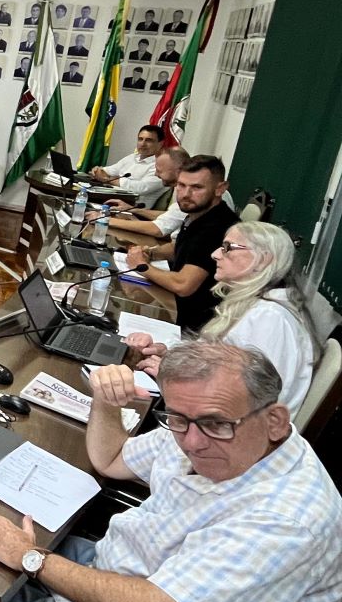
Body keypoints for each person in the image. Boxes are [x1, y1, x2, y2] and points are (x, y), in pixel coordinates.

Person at [0, 340, 342, 602]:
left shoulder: (289, 518)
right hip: (127, 575)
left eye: (215, 424)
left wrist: (31, 558)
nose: (192, 443)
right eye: (178, 420)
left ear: (274, 420)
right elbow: (111, 459)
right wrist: (105, 404)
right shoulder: (204, 424)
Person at [128, 223, 318, 415]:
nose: (215, 254)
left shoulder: (270, 319)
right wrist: (169, 351)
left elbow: (253, 401)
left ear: (264, 260)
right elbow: (219, 358)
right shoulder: (257, 304)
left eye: (228, 248)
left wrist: (175, 377)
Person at [125, 155, 239, 331]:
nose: (186, 194)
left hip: (196, 327)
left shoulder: (218, 227)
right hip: (177, 307)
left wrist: (142, 266)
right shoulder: (198, 214)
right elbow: (182, 246)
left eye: (197, 187)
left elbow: (184, 285)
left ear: (220, 189)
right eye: (181, 185)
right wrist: (152, 253)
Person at [91, 125, 164, 198]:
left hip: (133, 205)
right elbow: (105, 171)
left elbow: (142, 188)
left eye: (149, 140)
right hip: (111, 198)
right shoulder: (132, 157)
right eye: (140, 139)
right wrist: (98, 171)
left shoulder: (161, 165)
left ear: (160, 144)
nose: (143, 144)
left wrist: (108, 179)